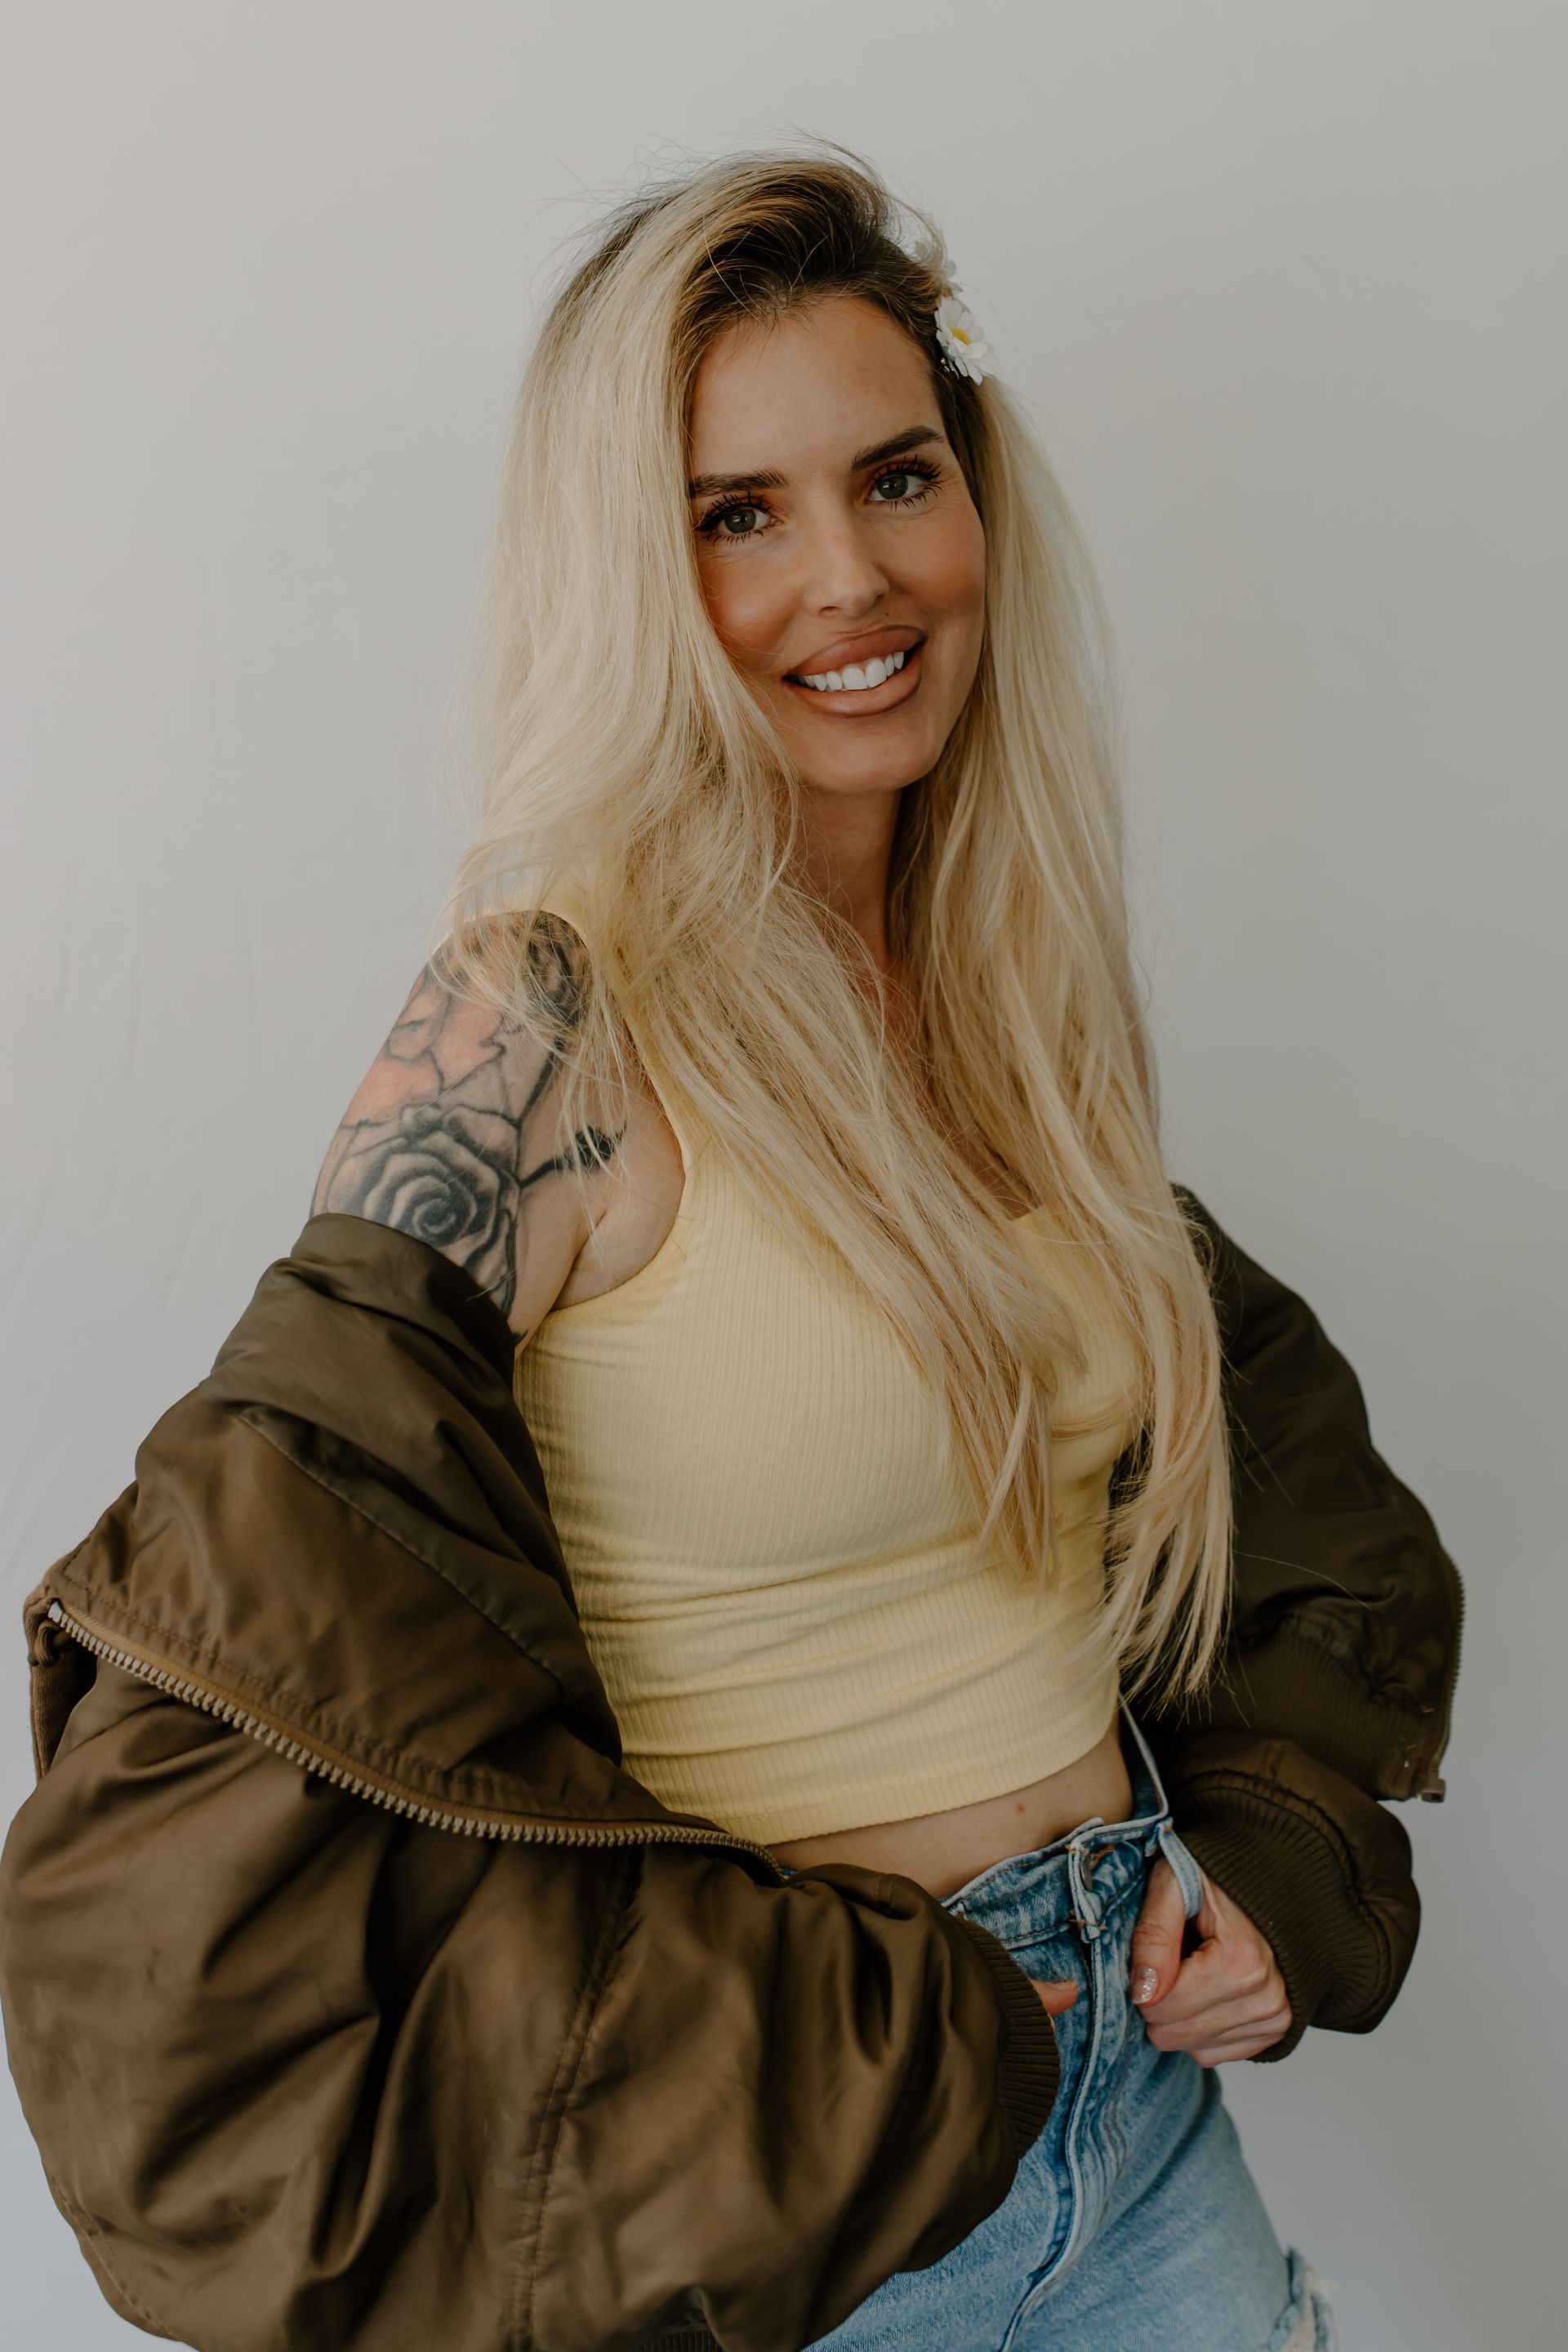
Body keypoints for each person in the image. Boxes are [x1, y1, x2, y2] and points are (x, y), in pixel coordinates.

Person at [0, 147, 1460, 2352]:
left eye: (896, 476)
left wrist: (1268, 1848)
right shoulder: (541, 1026)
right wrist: (730, 2037)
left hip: (1146, 2131)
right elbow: (248, 1631)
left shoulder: (1000, 1006)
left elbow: (1245, 1495)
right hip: (797, 2214)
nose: (852, 578)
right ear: (628, 569)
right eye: (735, 513)